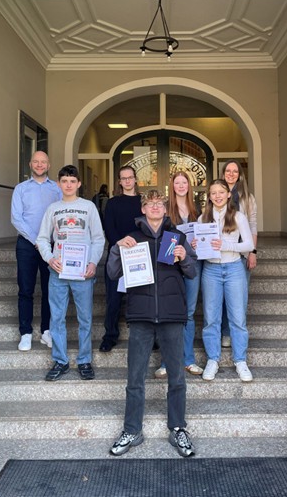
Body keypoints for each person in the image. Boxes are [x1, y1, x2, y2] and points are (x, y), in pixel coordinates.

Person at [107, 190, 197, 457]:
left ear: (165, 209)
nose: (155, 207)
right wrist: (116, 249)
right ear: (143, 209)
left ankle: (178, 428)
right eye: (150, 204)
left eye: (159, 203)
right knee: (135, 378)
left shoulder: (177, 238)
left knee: (177, 377)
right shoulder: (131, 238)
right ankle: (132, 430)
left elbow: (192, 272)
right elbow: (112, 273)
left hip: (172, 315)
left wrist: (185, 257)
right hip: (141, 315)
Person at [36, 165, 105, 381]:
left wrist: (93, 263)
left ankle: (84, 360)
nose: (68, 185)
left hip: (83, 272)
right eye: (64, 181)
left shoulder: (88, 207)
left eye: (72, 181)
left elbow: (98, 238)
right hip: (58, 271)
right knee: (57, 318)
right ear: (59, 184)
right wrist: (50, 258)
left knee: (85, 318)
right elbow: (42, 238)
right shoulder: (53, 209)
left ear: (79, 184)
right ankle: (60, 360)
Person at [194, 179, 254, 382]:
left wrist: (226, 245)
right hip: (211, 270)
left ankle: (240, 361)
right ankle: (213, 359)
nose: (218, 196)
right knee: (211, 318)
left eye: (221, 192)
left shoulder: (238, 216)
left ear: (229, 194)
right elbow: (199, 247)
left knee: (237, 317)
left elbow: (248, 245)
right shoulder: (203, 218)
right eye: (213, 193)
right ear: (209, 197)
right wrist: (195, 245)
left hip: (234, 268)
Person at [11, 150, 62, 352]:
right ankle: (25, 333)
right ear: (30, 164)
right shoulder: (21, 189)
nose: (39, 165)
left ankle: (46, 331)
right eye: (36, 162)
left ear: (49, 165)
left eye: (43, 162)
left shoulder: (57, 189)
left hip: (51, 245)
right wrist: (36, 241)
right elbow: (16, 218)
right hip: (27, 245)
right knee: (25, 289)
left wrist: (47, 242)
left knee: (50, 289)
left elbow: (61, 215)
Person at [155, 171, 203, 379]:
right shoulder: (166, 210)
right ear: (172, 186)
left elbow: (204, 236)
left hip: (192, 263)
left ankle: (189, 360)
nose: (181, 186)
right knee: (171, 312)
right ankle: (167, 362)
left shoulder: (198, 210)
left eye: (184, 182)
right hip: (171, 266)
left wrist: (197, 243)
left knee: (189, 313)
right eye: (177, 182)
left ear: (189, 186)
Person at [99, 166, 143, 352]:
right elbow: (109, 227)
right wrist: (120, 241)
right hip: (117, 255)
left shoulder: (143, 202)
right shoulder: (113, 203)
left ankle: (147, 337)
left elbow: (148, 226)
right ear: (119, 181)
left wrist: (136, 243)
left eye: (130, 177)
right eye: (123, 178)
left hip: (139, 254)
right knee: (113, 299)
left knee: (141, 298)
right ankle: (110, 336)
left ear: (135, 179)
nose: (127, 181)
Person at [220, 160, 258, 349]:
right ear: (223, 173)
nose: (231, 174)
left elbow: (253, 226)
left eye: (235, 171)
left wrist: (252, 252)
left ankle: (236, 333)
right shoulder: (217, 194)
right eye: (228, 170)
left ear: (240, 175)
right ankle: (225, 333)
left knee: (239, 298)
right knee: (222, 298)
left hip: (242, 252)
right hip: (220, 254)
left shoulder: (247, 198)